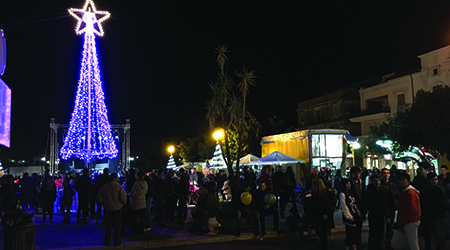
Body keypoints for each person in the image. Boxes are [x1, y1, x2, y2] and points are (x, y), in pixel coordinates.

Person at [97, 173, 127, 247]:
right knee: (117, 225)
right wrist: (122, 203)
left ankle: (107, 241)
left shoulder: (105, 187)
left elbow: (99, 198)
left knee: (108, 226)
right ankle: (116, 240)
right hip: (117, 208)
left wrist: (104, 203)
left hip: (107, 208)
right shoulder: (119, 187)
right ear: (115, 178)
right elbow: (123, 198)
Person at [421, 172, 448, 250]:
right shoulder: (431, 190)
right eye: (432, 180)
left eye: (435, 179)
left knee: (438, 237)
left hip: (436, 217)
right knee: (437, 236)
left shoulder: (438, 191)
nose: (434, 181)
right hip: (433, 216)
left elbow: (444, 204)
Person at [309, 178, 335, 250]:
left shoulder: (325, 193)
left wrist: (326, 213)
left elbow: (328, 204)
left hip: (323, 213)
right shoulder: (315, 192)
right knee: (318, 228)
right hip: (317, 213)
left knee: (323, 230)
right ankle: (323, 243)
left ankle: (324, 244)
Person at [396, 172, 421, 250]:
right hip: (411, 220)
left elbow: (412, 208)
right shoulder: (408, 192)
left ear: (408, 181)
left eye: (404, 180)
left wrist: (404, 219)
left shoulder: (410, 193)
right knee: (412, 240)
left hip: (410, 220)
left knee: (412, 241)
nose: (401, 182)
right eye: (400, 180)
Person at [365, 174, 389, 250]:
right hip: (373, 213)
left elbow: (384, 203)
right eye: (375, 181)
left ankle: (379, 246)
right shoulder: (369, 191)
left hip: (380, 214)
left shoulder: (382, 190)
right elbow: (366, 203)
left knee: (381, 232)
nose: (377, 182)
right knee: (373, 232)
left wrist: (387, 215)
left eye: (378, 180)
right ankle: (372, 246)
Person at [340, 178, 362, 250]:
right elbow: (344, 206)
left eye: (349, 183)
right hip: (349, 216)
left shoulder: (350, 193)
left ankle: (353, 245)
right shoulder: (342, 194)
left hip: (354, 214)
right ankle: (348, 246)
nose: (349, 185)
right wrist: (349, 216)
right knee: (350, 232)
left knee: (354, 232)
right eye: (347, 184)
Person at [380, 168, 399, 249]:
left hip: (391, 208)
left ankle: (388, 243)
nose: (386, 175)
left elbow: (397, 196)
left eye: (387, 173)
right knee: (382, 228)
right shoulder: (379, 185)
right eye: (384, 173)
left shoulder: (392, 185)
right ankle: (381, 244)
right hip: (381, 209)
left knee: (389, 228)